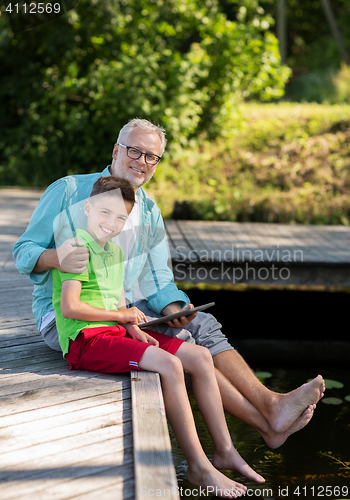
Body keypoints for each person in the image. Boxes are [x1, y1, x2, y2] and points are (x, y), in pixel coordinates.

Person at [13, 118, 325, 450]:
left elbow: (160, 279)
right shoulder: (71, 190)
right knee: (188, 343)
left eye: (151, 157)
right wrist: (58, 257)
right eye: (135, 151)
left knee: (200, 323)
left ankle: (269, 414)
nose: (141, 162)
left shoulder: (148, 211)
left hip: (120, 310)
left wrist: (174, 308)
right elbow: (23, 251)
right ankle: (268, 418)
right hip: (69, 317)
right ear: (117, 150)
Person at [53, 175, 265, 496]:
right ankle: (198, 467)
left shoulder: (111, 251)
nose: (111, 223)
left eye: (121, 217)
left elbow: (118, 300)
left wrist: (134, 329)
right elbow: (70, 307)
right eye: (104, 213)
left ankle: (224, 450)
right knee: (170, 365)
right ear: (88, 207)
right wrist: (121, 316)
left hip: (115, 332)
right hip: (86, 341)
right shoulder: (77, 248)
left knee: (200, 356)